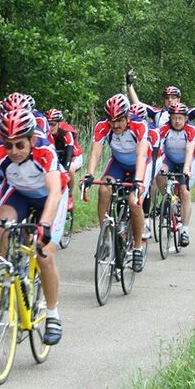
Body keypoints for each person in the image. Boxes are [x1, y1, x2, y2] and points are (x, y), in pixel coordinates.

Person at [0, 109, 67, 345]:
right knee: (0, 225)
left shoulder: (45, 150)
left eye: (20, 145)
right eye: (8, 145)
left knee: (44, 254)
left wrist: (44, 224)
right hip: (20, 194)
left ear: (32, 139)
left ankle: (52, 314)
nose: (14, 151)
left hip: (50, 198)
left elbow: (54, 192)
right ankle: (4, 277)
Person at [82, 94, 151, 272]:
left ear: (128, 116)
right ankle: (105, 238)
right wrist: (89, 174)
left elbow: (142, 155)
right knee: (103, 190)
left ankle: (137, 248)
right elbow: (96, 152)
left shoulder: (139, 125)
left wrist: (138, 181)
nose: (115, 125)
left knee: (134, 202)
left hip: (140, 165)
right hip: (118, 164)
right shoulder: (102, 126)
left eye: (119, 120)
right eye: (112, 121)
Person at [157, 103, 195, 247]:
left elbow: (189, 151)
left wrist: (186, 168)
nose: (177, 121)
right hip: (169, 159)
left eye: (180, 118)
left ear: (186, 118)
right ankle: (169, 199)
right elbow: (159, 150)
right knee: (159, 174)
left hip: (185, 161)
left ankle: (185, 231)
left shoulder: (190, 129)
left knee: (184, 192)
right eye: (174, 118)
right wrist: (160, 165)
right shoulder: (163, 129)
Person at [126, 69, 195, 127]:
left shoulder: (186, 112)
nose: (170, 100)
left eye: (173, 97)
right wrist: (129, 85)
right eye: (167, 98)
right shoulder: (157, 113)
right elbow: (137, 104)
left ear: (178, 99)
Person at [131, 103, 160, 239]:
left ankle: (146, 221)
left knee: (146, 188)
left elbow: (152, 158)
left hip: (152, 158)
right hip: (134, 160)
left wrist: (150, 177)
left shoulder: (153, 132)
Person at [45, 108, 83, 211]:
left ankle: (70, 195)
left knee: (69, 169)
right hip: (59, 156)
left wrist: (64, 173)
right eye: (48, 124)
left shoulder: (66, 133)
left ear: (59, 123)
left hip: (74, 156)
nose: (50, 127)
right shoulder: (44, 132)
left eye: (53, 124)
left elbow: (69, 155)